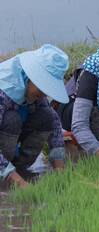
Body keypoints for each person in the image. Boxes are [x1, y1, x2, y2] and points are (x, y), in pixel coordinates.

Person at [0, 44, 70, 188]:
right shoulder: (4, 90)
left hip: (15, 134)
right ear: (29, 76)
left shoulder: (32, 86)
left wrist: (60, 169)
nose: (44, 95)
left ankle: (19, 168)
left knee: (46, 116)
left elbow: (55, 125)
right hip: (8, 127)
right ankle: (7, 175)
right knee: (12, 119)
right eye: (42, 88)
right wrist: (21, 183)